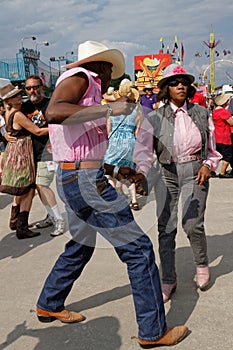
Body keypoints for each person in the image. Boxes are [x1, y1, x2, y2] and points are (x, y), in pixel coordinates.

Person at [36, 40, 188, 348]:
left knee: (81, 244)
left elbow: (80, 147)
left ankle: (49, 301)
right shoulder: (81, 77)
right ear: (100, 65)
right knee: (139, 250)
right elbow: (53, 112)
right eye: (109, 70)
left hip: (76, 175)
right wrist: (110, 107)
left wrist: (115, 170)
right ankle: (153, 331)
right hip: (83, 180)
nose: (110, 78)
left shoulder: (84, 87)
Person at [131, 64, 222, 303]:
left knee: (192, 225)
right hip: (167, 173)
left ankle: (202, 265)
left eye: (184, 81)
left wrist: (208, 165)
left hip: (196, 172)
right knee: (166, 227)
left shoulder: (202, 113)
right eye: (174, 82)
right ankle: (168, 278)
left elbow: (211, 149)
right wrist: (141, 173)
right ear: (165, 88)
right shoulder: (154, 117)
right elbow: (143, 151)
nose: (180, 85)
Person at [0, 79, 48, 239]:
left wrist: (7, 134)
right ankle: (21, 226)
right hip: (22, 154)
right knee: (28, 188)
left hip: (15, 152)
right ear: (7, 100)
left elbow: (6, 129)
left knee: (22, 187)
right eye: (15, 96)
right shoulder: (19, 114)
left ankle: (15, 218)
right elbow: (37, 131)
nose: (19, 97)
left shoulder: (7, 112)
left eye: (19, 94)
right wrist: (59, 127)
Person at [21, 75, 65, 236]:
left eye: (36, 86)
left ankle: (58, 220)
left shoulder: (50, 105)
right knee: (39, 188)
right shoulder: (24, 107)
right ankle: (50, 216)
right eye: (29, 88)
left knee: (42, 185)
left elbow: (61, 125)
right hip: (30, 153)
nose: (33, 90)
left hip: (48, 152)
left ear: (42, 87)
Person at [104, 79, 142, 210]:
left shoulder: (112, 109)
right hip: (129, 142)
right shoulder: (136, 110)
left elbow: (108, 128)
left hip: (114, 141)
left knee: (110, 173)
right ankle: (134, 200)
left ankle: (116, 198)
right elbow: (137, 131)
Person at [212, 93, 233, 178]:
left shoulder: (215, 112)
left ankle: (211, 170)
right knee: (228, 155)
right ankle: (222, 172)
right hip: (225, 136)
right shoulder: (224, 112)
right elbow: (231, 122)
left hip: (216, 136)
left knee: (217, 155)